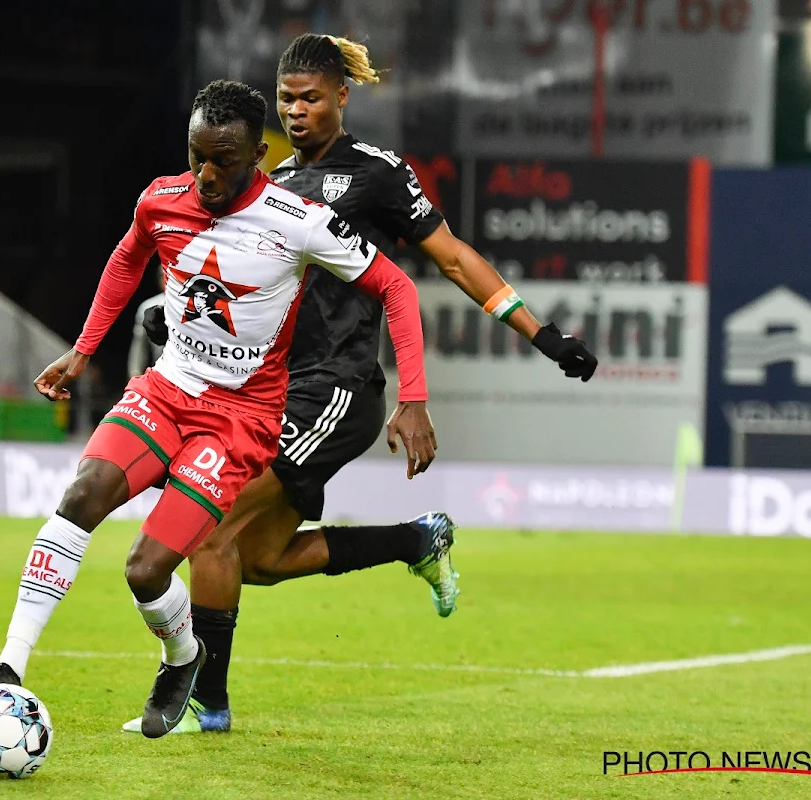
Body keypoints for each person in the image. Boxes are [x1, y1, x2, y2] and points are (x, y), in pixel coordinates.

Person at [121, 34, 600, 734]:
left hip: (339, 386)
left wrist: (543, 335)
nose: (297, 111)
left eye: (311, 98)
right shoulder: (267, 188)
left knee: (208, 529)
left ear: (342, 97)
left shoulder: (375, 173)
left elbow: (455, 261)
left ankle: (207, 705)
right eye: (286, 99)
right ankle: (416, 541)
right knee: (257, 558)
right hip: (274, 390)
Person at [0, 79, 436, 738]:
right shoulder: (162, 198)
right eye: (196, 156)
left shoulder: (300, 222)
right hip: (166, 390)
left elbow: (397, 289)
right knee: (82, 496)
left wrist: (413, 397)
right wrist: (83, 351)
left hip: (240, 419)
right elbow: (126, 261)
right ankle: (7, 667)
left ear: (256, 159)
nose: (206, 175)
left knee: (147, 569)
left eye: (223, 162)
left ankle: (183, 657)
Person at [127, 271, 166, 379]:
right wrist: (134, 373)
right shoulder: (149, 306)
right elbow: (139, 345)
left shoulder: (193, 304)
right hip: (161, 371)